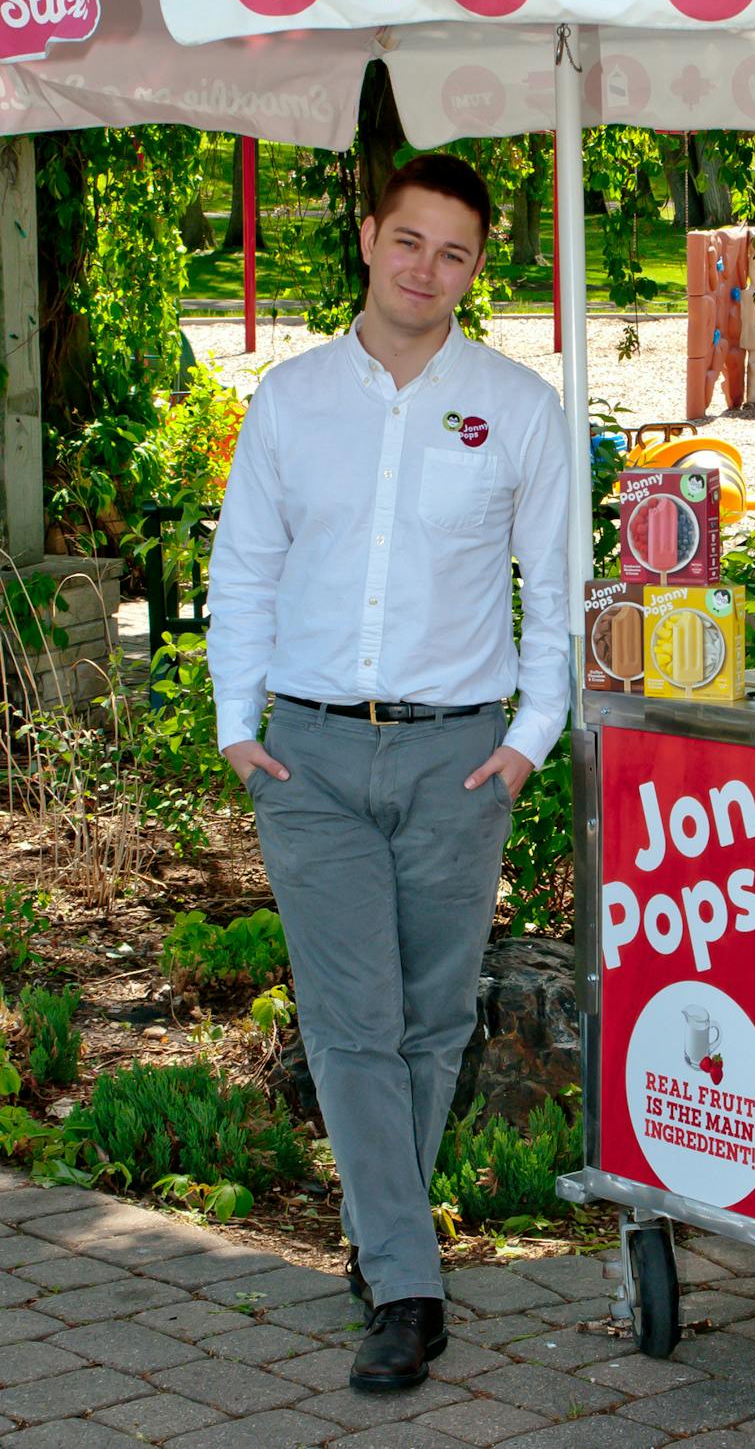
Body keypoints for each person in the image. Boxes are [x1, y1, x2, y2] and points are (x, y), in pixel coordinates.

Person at [207, 153, 571, 1394]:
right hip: (304, 752)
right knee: (353, 1021)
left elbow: (555, 596)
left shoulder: (517, 409)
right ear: (369, 238)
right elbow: (245, 566)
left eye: (455, 252)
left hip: (457, 757)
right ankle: (408, 1286)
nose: (427, 269)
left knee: (433, 1019)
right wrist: (234, 724)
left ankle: (382, 1239)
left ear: (477, 268)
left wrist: (529, 738)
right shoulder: (292, 399)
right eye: (408, 241)